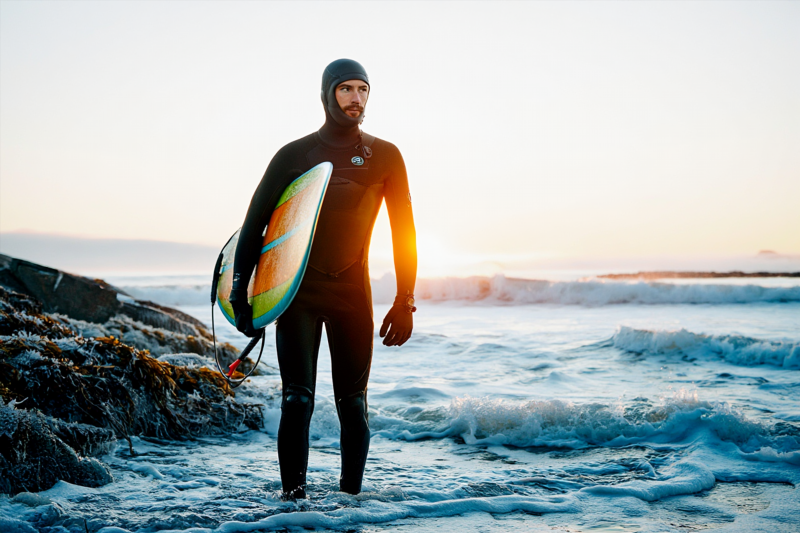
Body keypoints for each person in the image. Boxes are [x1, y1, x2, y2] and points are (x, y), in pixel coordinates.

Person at [228, 59, 417, 498]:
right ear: (327, 93)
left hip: (354, 292)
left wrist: (405, 299)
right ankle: (294, 505)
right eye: (346, 89)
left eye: (363, 90)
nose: (356, 99)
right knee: (297, 401)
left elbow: (403, 231)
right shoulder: (295, 155)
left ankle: (352, 505)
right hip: (300, 294)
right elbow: (255, 224)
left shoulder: (385, 155)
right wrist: (242, 294)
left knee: (354, 407)